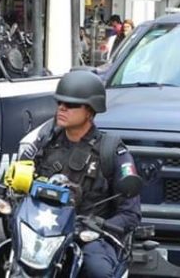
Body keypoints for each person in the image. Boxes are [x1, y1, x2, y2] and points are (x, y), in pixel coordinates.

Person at [20, 71, 141, 277]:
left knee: (97, 270)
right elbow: (20, 180)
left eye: (71, 104)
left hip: (89, 236)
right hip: (44, 232)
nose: (62, 108)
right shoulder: (45, 143)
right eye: (60, 102)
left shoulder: (111, 151)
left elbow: (131, 214)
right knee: (9, 258)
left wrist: (101, 226)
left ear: (90, 110)